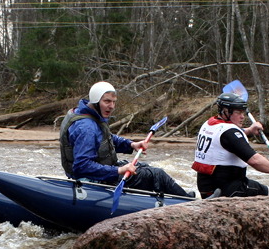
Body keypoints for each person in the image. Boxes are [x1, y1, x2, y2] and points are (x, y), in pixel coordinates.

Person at [60, 81, 194, 197]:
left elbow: (105, 139)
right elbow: (82, 166)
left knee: (143, 167)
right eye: (107, 101)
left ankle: (176, 198)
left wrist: (131, 145)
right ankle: (188, 203)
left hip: (101, 171)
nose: (111, 106)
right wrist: (118, 171)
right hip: (94, 180)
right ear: (95, 101)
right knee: (156, 175)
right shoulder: (86, 127)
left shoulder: (86, 113)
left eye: (113, 102)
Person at [192, 92, 269, 198]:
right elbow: (255, 160)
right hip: (229, 189)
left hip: (206, 188)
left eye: (243, 113)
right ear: (225, 111)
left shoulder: (209, 124)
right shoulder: (229, 132)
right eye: (238, 113)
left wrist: (249, 130)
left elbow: (227, 140)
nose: (242, 117)